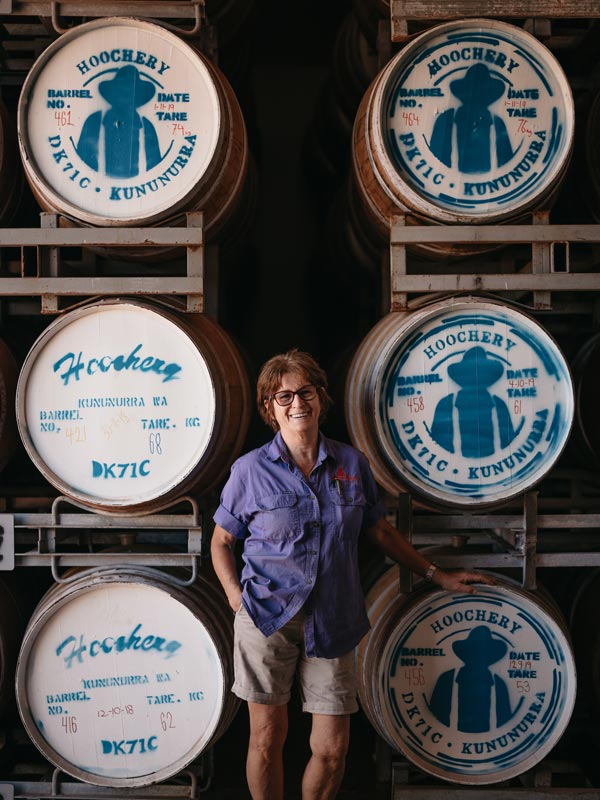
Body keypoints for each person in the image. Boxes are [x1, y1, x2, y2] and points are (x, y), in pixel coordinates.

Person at [211, 349, 494, 800]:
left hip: (334, 620)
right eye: (283, 396)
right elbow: (222, 542)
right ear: (269, 408)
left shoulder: (352, 464)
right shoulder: (249, 471)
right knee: (267, 738)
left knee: (332, 749)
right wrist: (234, 598)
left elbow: (379, 530)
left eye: (305, 391)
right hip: (267, 619)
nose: (296, 402)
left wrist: (436, 574)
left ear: (321, 398)